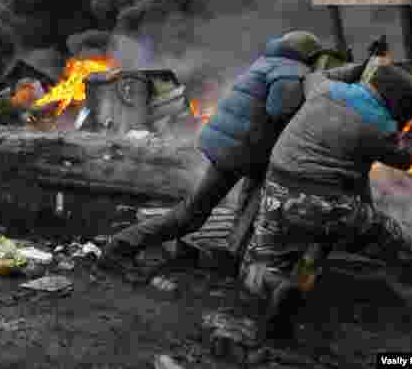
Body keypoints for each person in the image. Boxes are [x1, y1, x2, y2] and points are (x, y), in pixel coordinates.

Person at [242, 63, 412, 340]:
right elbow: (404, 157)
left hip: (278, 190)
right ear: (397, 104)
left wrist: (361, 65)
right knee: (396, 238)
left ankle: (279, 287)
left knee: (263, 261)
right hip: (329, 204)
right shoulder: (380, 124)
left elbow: (317, 75)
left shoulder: (323, 88)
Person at [98, 31, 363, 274]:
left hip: (232, 149)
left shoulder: (270, 64)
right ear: (310, 56)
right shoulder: (290, 74)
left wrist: (358, 69)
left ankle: (229, 257)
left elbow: (318, 80)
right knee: (198, 215)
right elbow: (282, 110)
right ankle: (120, 248)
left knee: (214, 210)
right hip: (246, 153)